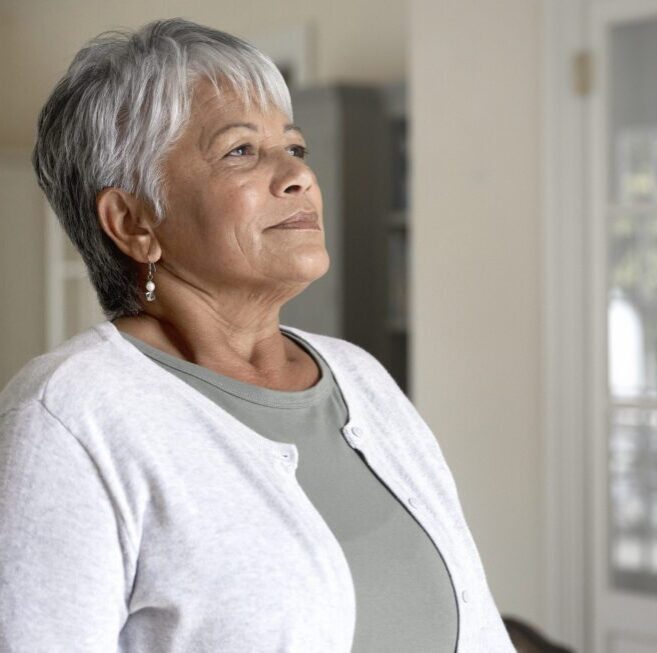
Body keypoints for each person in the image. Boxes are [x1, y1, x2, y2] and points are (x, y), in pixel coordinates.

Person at [0, 18, 515, 653]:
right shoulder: (70, 417)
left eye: (294, 148)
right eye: (240, 151)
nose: (298, 177)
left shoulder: (360, 378)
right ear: (133, 222)